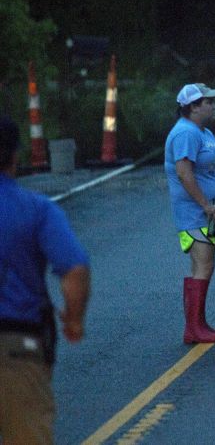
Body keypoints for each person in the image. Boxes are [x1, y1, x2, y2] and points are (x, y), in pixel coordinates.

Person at [0, 115, 91, 443]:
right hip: (15, 343)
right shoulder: (35, 210)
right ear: (16, 155)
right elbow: (75, 270)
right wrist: (74, 321)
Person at [166, 84, 215, 344]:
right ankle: (194, 328)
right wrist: (205, 204)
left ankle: (198, 324)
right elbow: (184, 173)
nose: (214, 105)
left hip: (211, 214)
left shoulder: (204, 132)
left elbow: (204, 169)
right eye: (208, 101)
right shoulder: (185, 133)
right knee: (203, 264)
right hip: (195, 214)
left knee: (203, 265)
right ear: (194, 106)